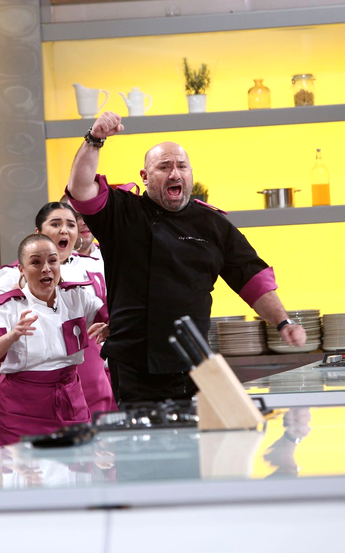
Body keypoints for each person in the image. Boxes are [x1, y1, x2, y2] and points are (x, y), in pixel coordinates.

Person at [65, 111, 307, 403]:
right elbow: (80, 189)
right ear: (144, 177)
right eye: (164, 167)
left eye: (182, 166)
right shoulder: (122, 212)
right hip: (133, 367)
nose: (174, 174)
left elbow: (252, 279)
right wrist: (94, 139)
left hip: (194, 365)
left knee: (198, 434)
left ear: (191, 174)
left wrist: (283, 322)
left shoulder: (213, 224)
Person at [0, 234, 108, 448]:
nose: (46, 269)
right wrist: (13, 335)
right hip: (21, 408)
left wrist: (110, 328)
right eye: (36, 262)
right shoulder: (7, 305)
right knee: (23, 468)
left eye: (52, 260)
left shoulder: (76, 295)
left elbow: (112, 317)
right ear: (21, 269)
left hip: (70, 401)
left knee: (76, 466)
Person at [0, 203, 115, 414]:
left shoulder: (95, 264)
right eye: (56, 224)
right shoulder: (13, 274)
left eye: (71, 225)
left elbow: (110, 313)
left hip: (90, 370)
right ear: (38, 232)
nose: (64, 230)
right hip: (33, 382)